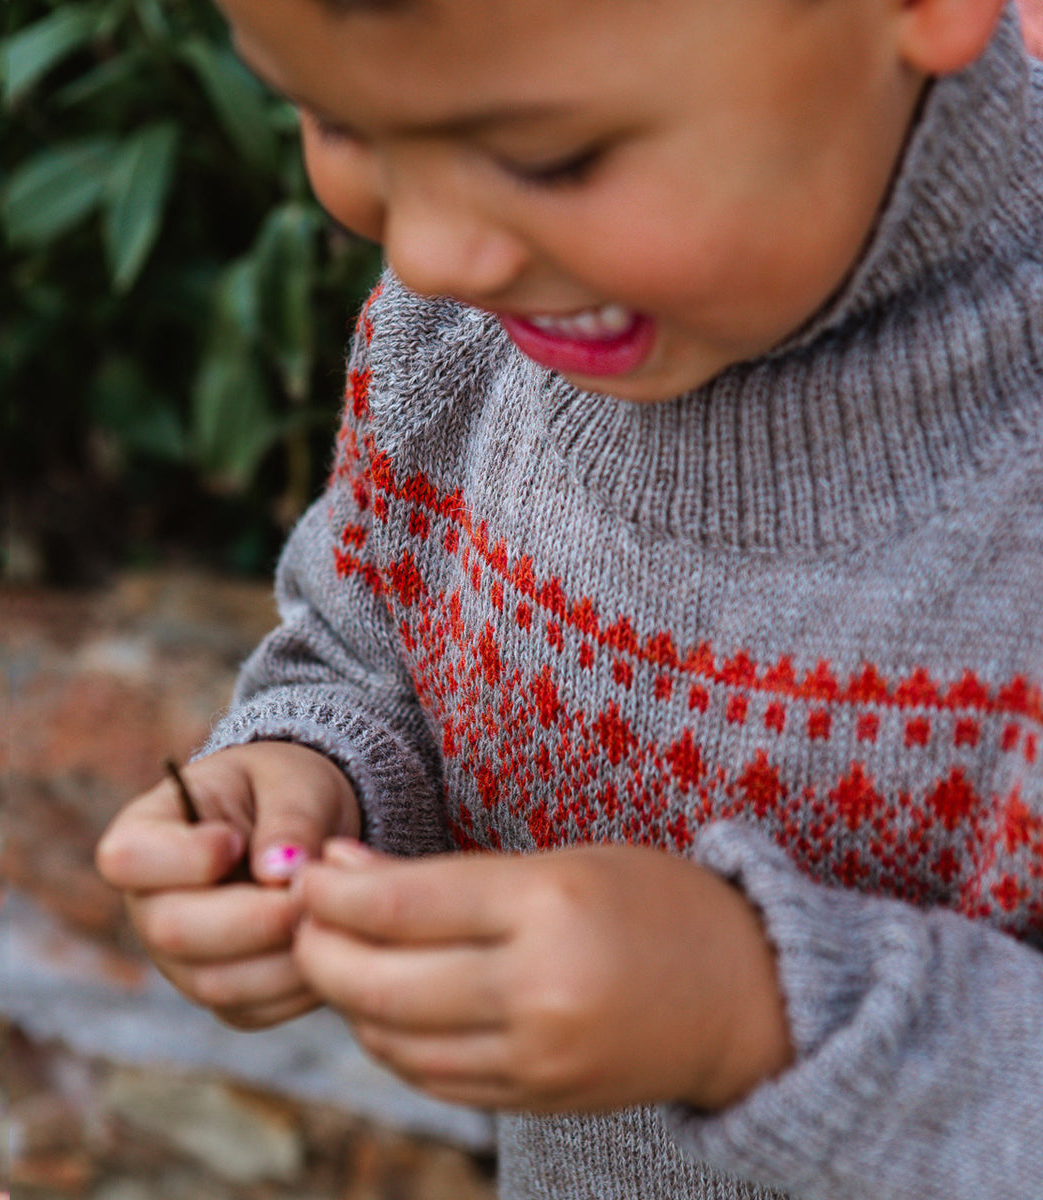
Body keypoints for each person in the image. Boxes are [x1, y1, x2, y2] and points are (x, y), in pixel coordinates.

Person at [96, 0, 1043, 1195]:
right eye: (340, 125)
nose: (429, 253)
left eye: (550, 159)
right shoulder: (468, 337)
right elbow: (372, 645)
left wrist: (747, 1012)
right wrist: (312, 779)